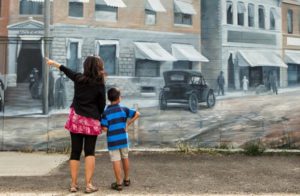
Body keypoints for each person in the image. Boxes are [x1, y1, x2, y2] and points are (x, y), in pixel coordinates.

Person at [46, 56, 106, 193]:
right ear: (98, 67)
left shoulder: (79, 78)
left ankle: (73, 184)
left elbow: (67, 71)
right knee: (90, 152)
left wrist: (54, 63)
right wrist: (101, 118)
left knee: (75, 151)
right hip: (91, 120)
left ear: (85, 67)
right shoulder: (99, 84)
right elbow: (102, 105)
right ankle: (89, 185)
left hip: (76, 119)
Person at [101, 87, 140, 191]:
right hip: (123, 138)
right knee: (125, 157)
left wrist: (107, 128)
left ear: (109, 99)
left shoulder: (106, 112)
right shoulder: (123, 109)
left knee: (116, 160)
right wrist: (127, 124)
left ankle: (118, 183)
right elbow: (137, 114)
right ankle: (127, 179)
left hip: (112, 140)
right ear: (119, 98)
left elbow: (104, 128)